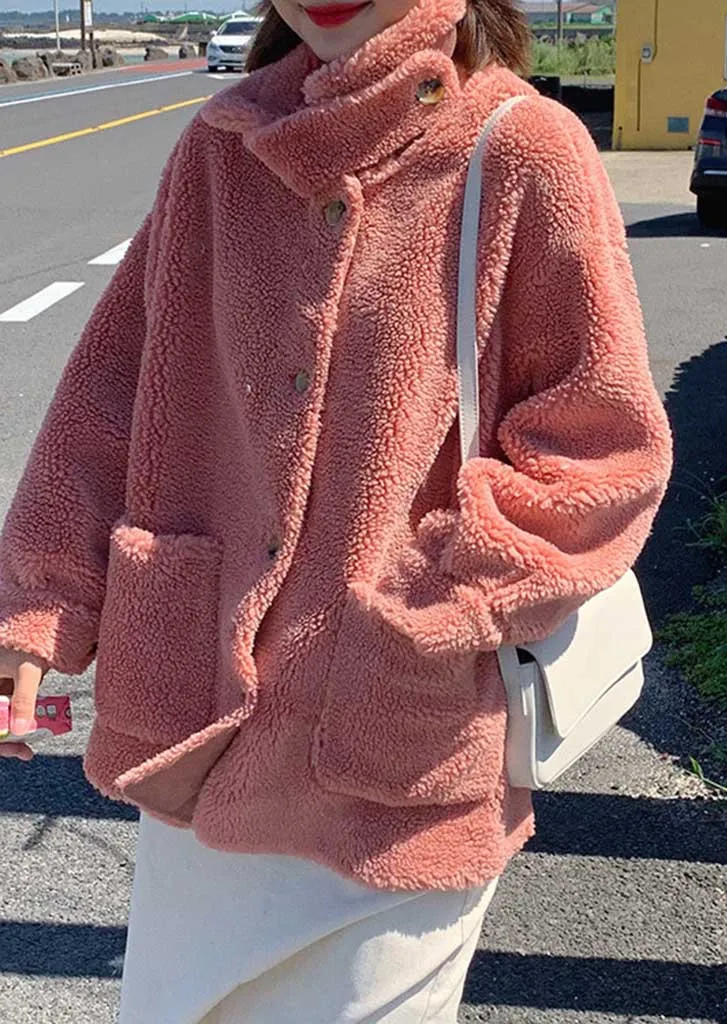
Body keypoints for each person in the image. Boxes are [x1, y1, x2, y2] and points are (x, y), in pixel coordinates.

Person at [0, 0, 673, 1019]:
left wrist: (446, 600)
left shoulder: (520, 148)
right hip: (202, 735)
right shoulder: (220, 150)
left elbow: (601, 441)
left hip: (398, 753)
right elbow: (113, 389)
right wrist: (38, 605)